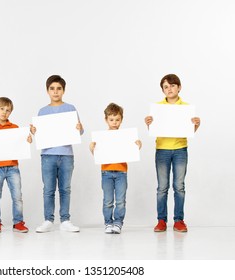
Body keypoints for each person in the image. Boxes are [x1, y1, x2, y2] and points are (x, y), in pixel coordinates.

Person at [144, 74, 201, 232]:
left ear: (179, 87)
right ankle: (161, 220)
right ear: (163, 90)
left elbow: (190, 131)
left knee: (179, 186)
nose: (169, 89)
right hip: (162, 149)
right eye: (165, 87)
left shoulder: (186, 108)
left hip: (180, 150)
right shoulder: (158, 108)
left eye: (172, 85)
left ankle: (179, 221)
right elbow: (155, 130)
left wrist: (196, 125)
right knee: (162, 187)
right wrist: (149, 124)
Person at [30, 75, 84, 233]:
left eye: (59, 88)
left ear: (63, 90)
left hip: (66, 155)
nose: (55, 92)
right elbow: (39, 134)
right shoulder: (43, 111)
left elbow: (79, 131)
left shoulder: (70, 108)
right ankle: (48, 220)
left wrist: (79, 128)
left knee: (65, 189)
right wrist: (34, 131)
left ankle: (65, 220)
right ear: (47, 91)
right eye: (52, 88)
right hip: (48, 155)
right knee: (48, 189)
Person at [89, 103, 142, 234]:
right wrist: (92, 148)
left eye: (117, 119)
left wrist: (137, 146)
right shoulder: (101, 137)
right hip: (106, 172)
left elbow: (132, 151)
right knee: (108, 200)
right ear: (106, 120)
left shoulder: (126, 136)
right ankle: (108, 223)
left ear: (121, 120)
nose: (114, 122)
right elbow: (98, 155)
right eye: (111, 119)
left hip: (121, 173)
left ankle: (118, 223)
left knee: (120, 200)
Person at [0, 97, 31, 233]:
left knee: (17, 196)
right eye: (2, 109)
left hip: (12, 167)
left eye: (8, 110)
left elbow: (21, 145)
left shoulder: (15, 128)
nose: (4, 112)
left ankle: (18, 223)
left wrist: (26, 141)